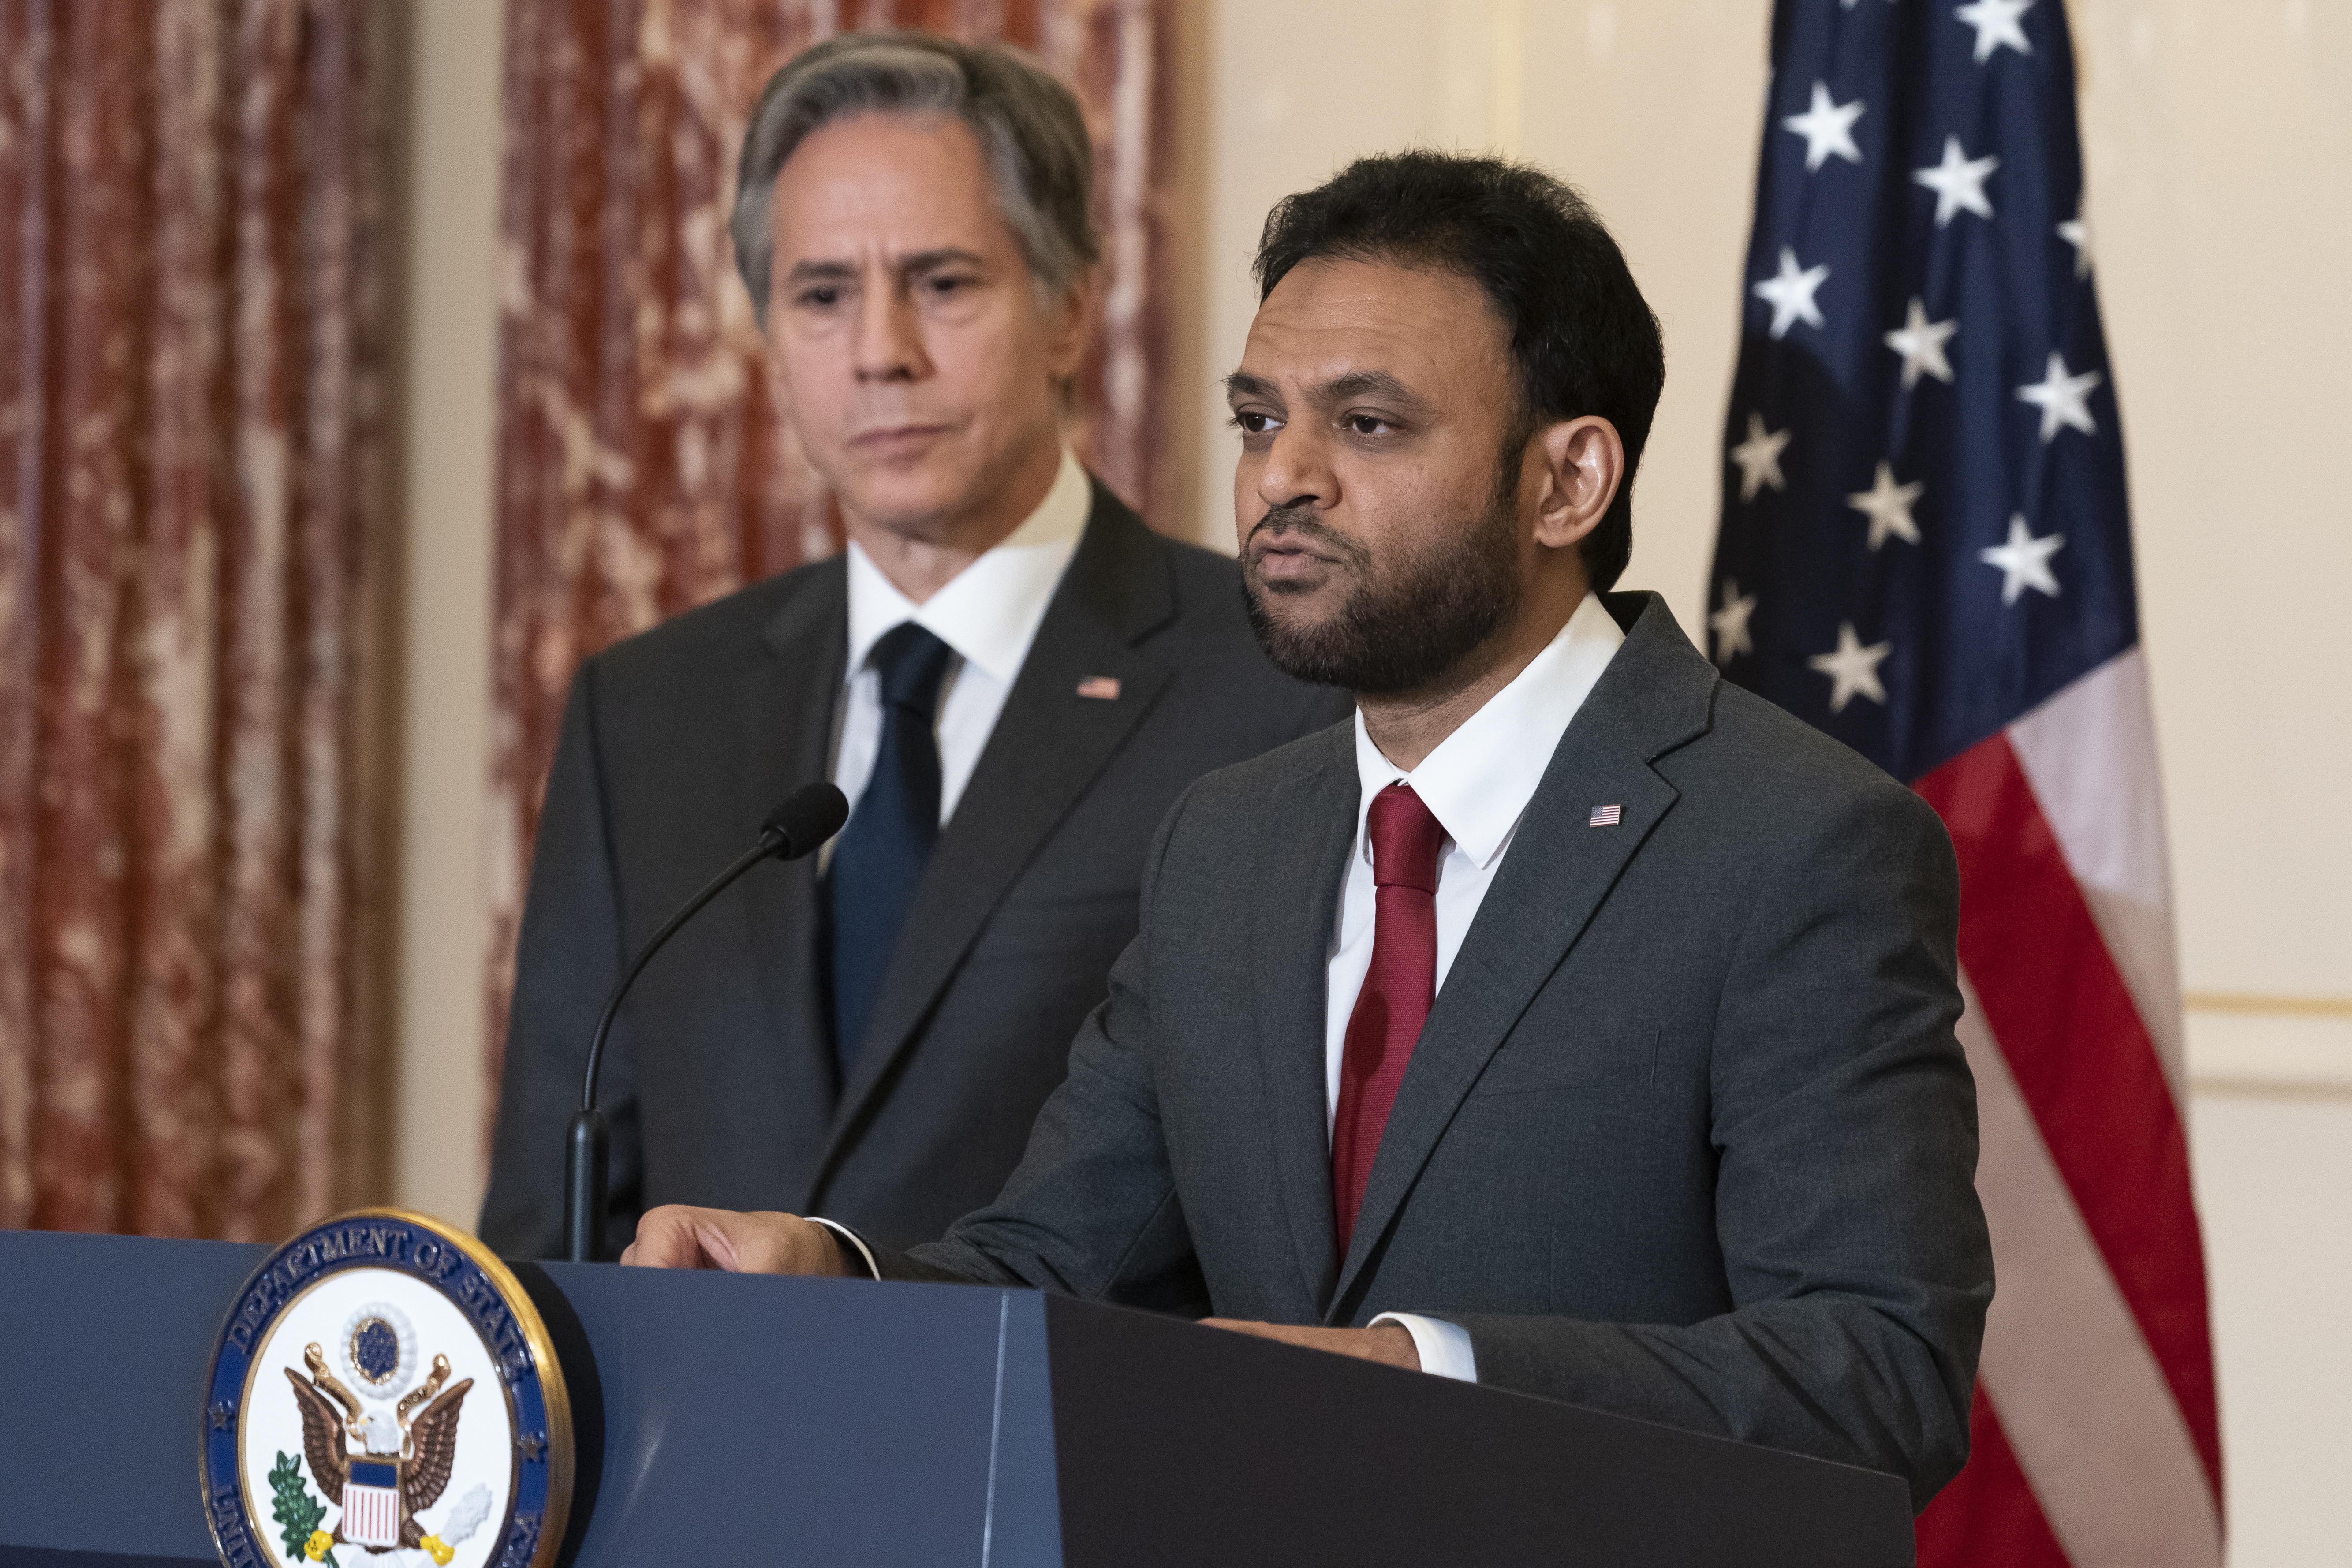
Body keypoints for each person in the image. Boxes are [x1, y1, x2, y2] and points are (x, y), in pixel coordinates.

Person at [622, 151, 1993, 1510]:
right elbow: (1052, 1267)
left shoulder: (1800, 843)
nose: (1286, 478)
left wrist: (1417, 1369)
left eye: (1369, 425)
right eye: (1258, 418)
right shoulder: (1227, 841)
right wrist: (831, 1278)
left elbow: (1876, 1371)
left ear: (1567, 481)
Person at [478, 34, 1346, 1259]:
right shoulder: (649, 709)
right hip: (705, 1448)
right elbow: (552, 1216)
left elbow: (1287, 1220)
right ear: (770, 334)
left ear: (1070, 309)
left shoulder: (1273, 683)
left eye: (943, 283)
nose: (881, 351)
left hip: (1075, 1439)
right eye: (822, 294)